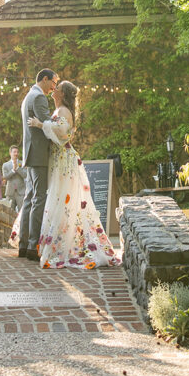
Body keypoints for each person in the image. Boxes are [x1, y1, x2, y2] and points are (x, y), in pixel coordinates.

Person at [18, 80, 119, 269]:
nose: (53, 90)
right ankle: (55, 240)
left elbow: (62, 133)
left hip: (63, 159)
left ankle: (58, 245)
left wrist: (41, 124)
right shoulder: (59, 110)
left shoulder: (64, 111)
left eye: (58, 88)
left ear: (63, 94)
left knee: (60, 199)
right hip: (57, 158)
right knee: (56, 200)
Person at [18, 68, 59, 261]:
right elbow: (48, 124)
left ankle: (23, 245)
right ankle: (33, 246)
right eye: (53, 82)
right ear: (45, 79)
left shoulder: (28, 96)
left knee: (29, 198)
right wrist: (60, 122)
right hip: (39, 154)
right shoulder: (39, 97)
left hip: (30, 154)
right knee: (39, 198)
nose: (54, 87)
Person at [2, 145, 27, 212]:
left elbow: (25, 175)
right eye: (14, 152)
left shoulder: (22, 163)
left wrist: (18, 169)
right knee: (9, 212)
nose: (16, 154)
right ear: (10, 153)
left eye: (17, 152)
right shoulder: (5, 165)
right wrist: (13, 170)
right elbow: (5, 177)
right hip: (10, 192)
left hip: (21, 192)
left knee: (22, 212)